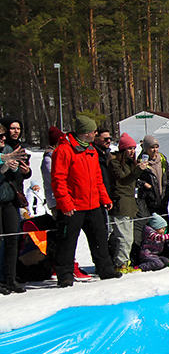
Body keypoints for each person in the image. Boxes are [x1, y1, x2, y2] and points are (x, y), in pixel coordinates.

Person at [49, 115, 120, 285]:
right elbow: (58, 179)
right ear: (84, 133)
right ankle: (65, 274)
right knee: (67, 241)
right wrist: (65, 202)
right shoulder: (64, 150)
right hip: (72, 205)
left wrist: (104, 197)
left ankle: (105, 269)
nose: (95, 134)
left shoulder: (91, 150)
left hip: (93, 203)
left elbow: (97, 178)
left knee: (99, 238)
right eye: (93, 131)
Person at [0, 124, 30, 293]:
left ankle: (11, 278)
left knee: (13, 239)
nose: (4, 139)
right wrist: (3, 167)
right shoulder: (5, 153)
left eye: (4, 136)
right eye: (0, 137)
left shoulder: (10, 149)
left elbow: (18, 178)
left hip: (10, 201)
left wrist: (20, 170)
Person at [108, 134, 142, 272]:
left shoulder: (129, 164)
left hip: (130, 204)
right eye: (129, 148)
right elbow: (123, 180)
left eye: (133, 148)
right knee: (124, 238)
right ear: (122, 149)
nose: (132, 151)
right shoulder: (115, 163)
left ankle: (124, 262)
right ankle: (120, 264)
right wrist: (138, 170)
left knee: (129, 237)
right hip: (120, 204)